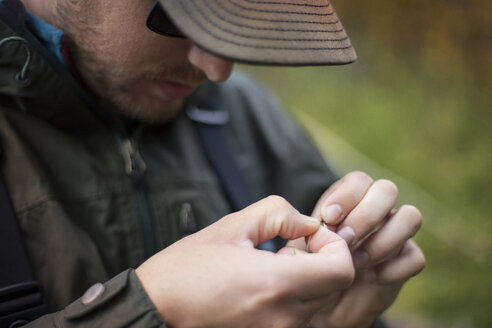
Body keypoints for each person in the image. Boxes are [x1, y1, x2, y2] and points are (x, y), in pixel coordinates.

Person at [0, 0, 425, 327]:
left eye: (234, 18)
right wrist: (154, 310)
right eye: (183, 15)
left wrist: (327, 320)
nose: (218, 69)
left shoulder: (241, 112)